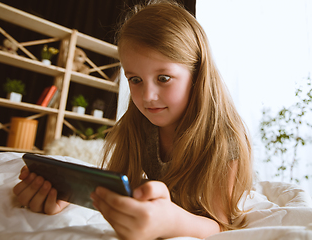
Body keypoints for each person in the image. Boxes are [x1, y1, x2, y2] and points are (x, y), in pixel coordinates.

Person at [13, 1, 253, 239]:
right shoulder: (137, 124)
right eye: (135, 80)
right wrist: (66, 196)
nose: (147, 97)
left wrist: (173, 222)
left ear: (197, 74)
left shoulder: (224, 136)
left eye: (163, 78)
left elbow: (220, 225)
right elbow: (121, 189)